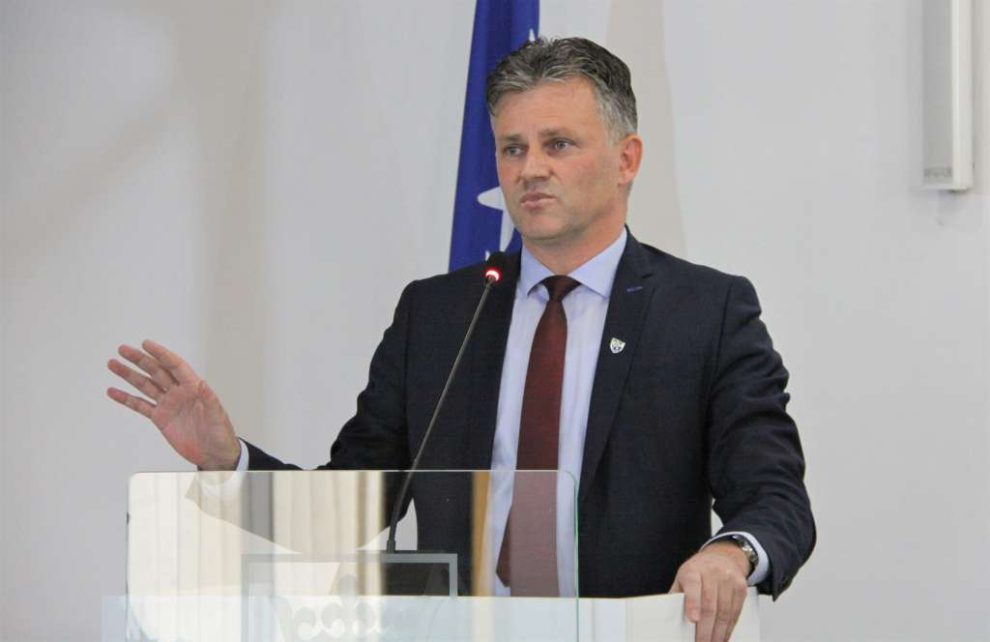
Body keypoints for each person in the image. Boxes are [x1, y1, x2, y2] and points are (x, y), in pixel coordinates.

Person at [108, 37, 814, 642]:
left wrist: (731, 553)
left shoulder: (704, 312)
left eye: (558, 144)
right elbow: (351, 509)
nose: (530, 169)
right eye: (512, 148)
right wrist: (227, 461)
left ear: (626, 159)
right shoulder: (439, 314)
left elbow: (775, 495)